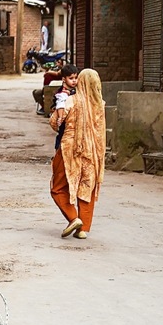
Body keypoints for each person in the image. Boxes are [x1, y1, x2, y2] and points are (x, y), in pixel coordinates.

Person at [49, 68, 106, 240]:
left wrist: (57, 117)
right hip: (93, 152)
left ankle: (73, 218)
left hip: (69, 149)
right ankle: (83, 229)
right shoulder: (100, 105)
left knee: (57, 187)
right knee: (86, 188)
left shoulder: (70, 101)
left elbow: (54, 123)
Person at [51, 63, 79, 149]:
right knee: (62, 137)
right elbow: (60, 105)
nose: (74, 80)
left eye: (76, 78)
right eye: (71, 78)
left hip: (72, 120)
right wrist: (61, 117)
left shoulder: (73, 90)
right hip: (65, 120)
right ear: (64, 79)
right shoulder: (63, 93)